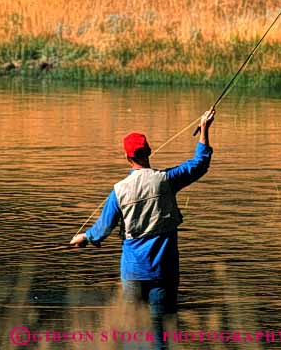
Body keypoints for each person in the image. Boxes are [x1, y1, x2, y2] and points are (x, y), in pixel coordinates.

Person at [70, 108, 215, 348]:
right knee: (162, 337)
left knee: (133, 334)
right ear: (149, 151)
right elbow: (200, 164)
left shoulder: (119, 191)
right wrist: (205, 129)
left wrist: (84, 237)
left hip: (133, 273)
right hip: (164, 272)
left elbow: (103, 229)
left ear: (127, 157)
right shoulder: (167, 180)